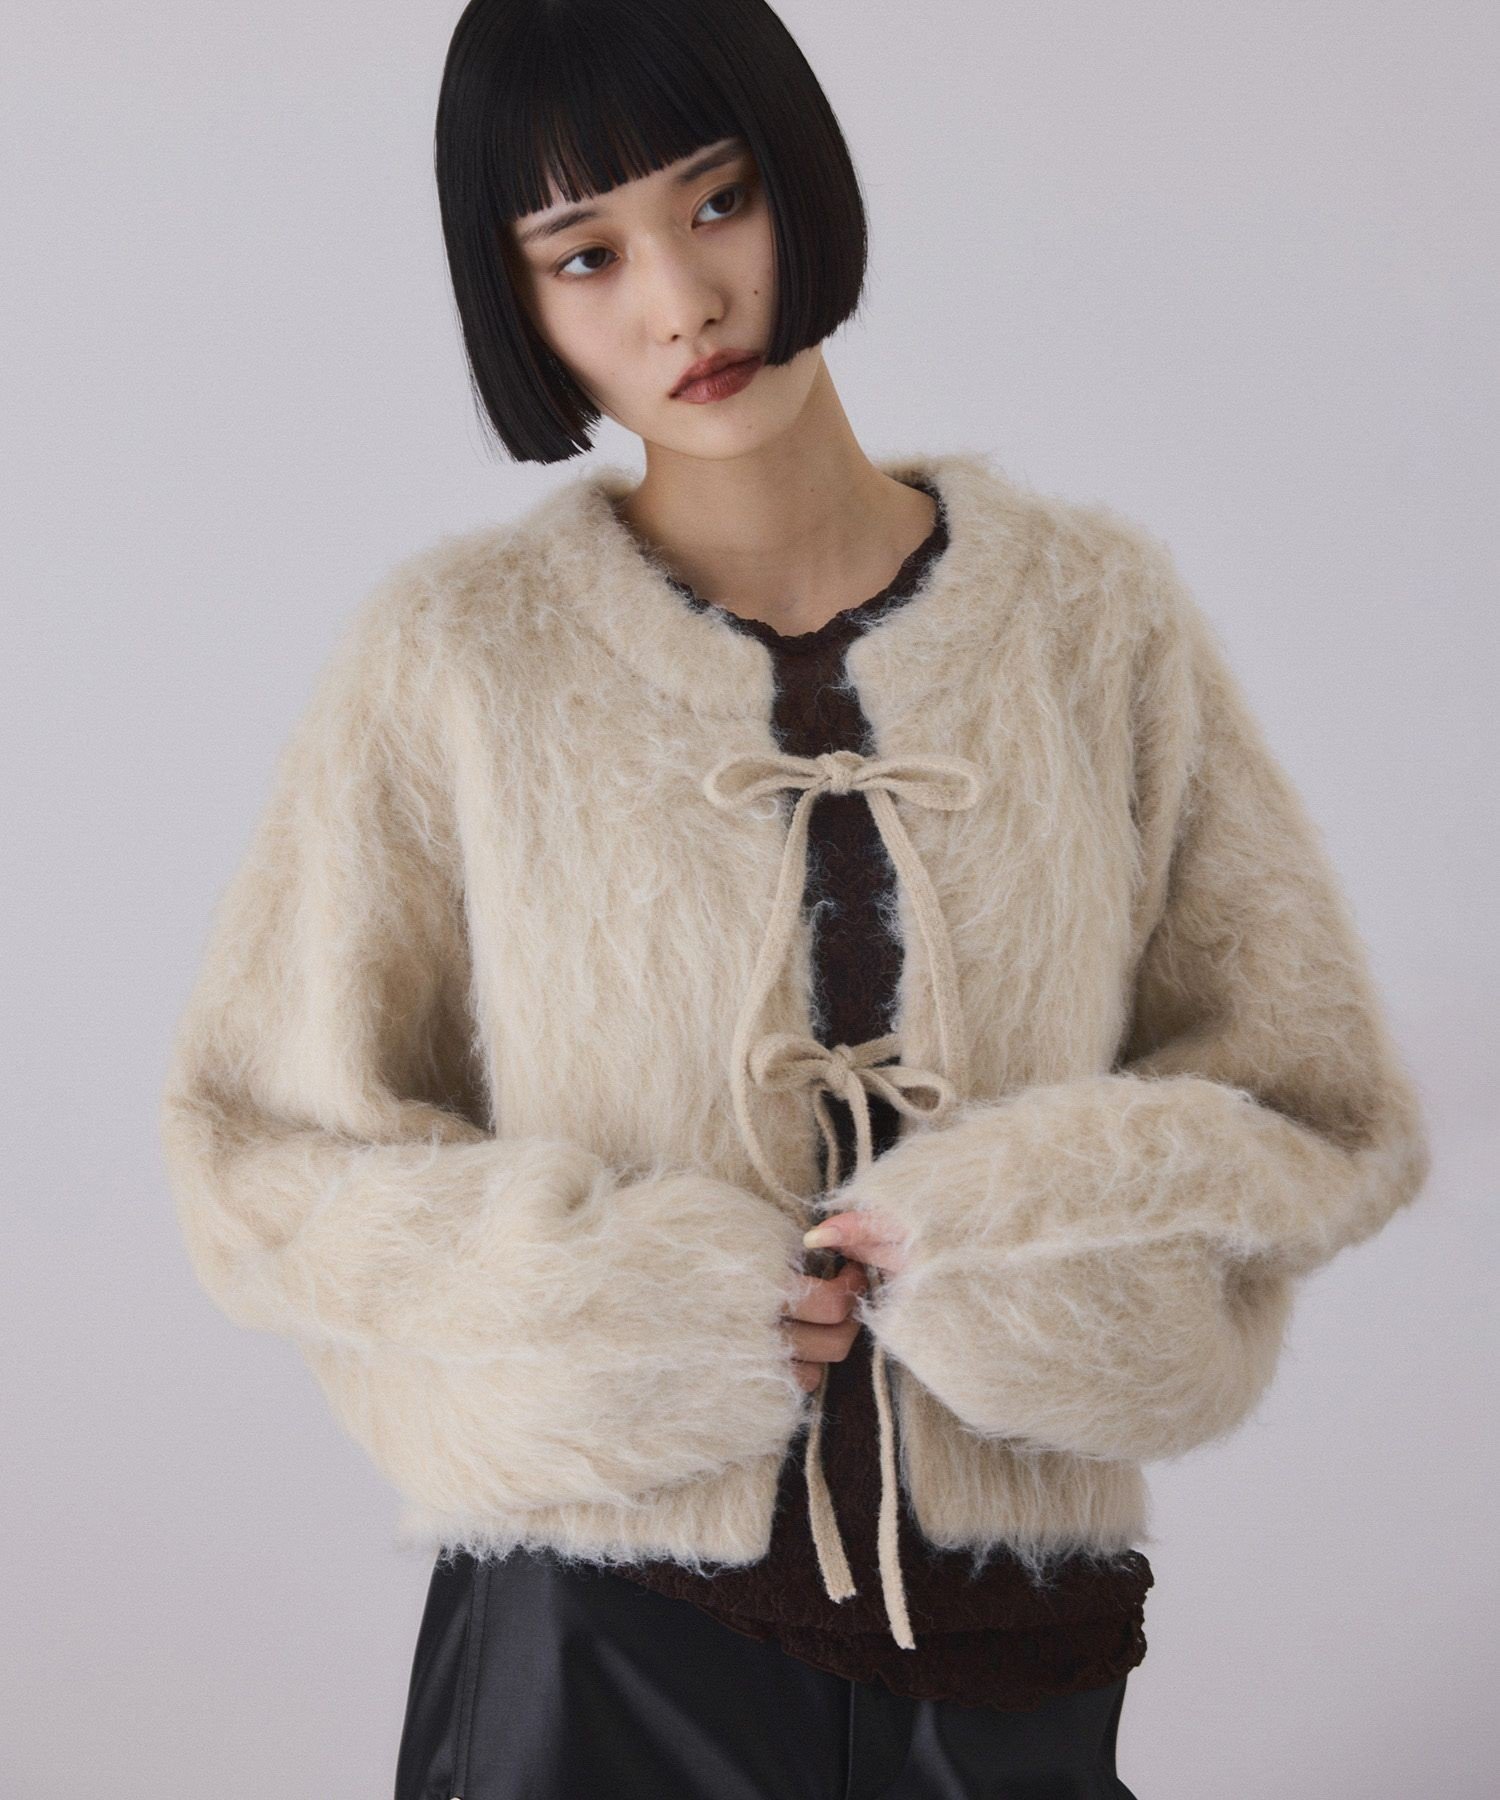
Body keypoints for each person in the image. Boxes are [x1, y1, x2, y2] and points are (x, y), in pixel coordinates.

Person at [157, 1, 1433, 1795]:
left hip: (1010, 1639)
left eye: (719, 201)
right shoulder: (457, 660)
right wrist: (646, 1297)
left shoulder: (1094, 621)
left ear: (799, 183)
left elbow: (1317, 1112)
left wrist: (1012, 1236)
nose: (680, 302)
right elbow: (263, 1154)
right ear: (518, 303)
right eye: (585, 255)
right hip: (598, 1632)